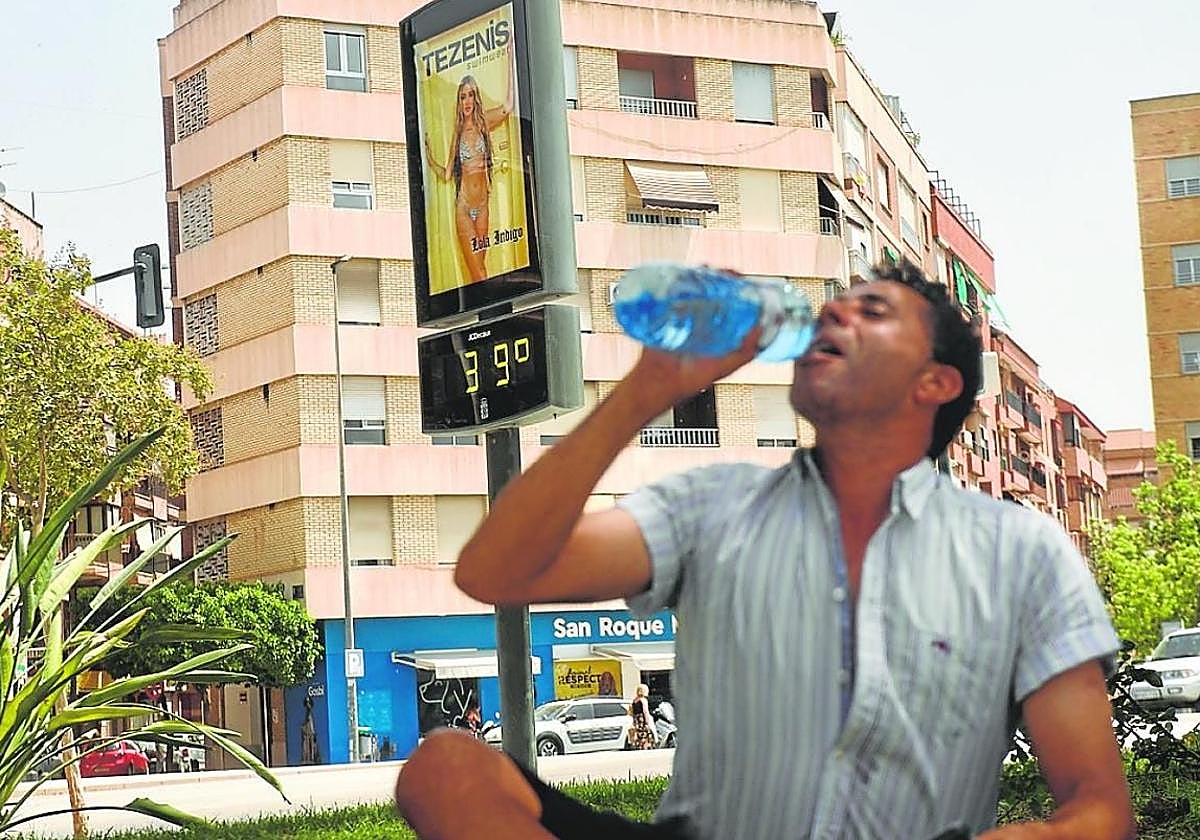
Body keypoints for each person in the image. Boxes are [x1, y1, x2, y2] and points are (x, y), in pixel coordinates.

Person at [395, 260, 1136, 840]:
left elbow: (1099, 808)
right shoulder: (712, 507)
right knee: (445, 768)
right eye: (837, 303)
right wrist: (646, 391)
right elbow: (494, 571)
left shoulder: (1020, 553)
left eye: (873, 310)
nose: (835, 312)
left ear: (934, 382)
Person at [423, 46, 515, 284]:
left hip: (483, 206)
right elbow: (446, 174)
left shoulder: (485, 123)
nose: (467, 101)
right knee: (478, 273)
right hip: (464, 208)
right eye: (463, 96)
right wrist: (429, 156)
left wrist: (510, 57)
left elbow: (509, 105)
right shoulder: (458, 131)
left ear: (476, 97)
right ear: (459, 100)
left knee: (480, 272)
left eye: (471, 95)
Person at [627, 684, 656, 750]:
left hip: (636, 720)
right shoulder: (643, 700)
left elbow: (631, 711)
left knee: (638, 734)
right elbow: (645, 711)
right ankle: (646, 747)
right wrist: (647, 722)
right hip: (642, 719)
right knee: (646, 734)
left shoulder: (634, 700)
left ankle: (639, 746)